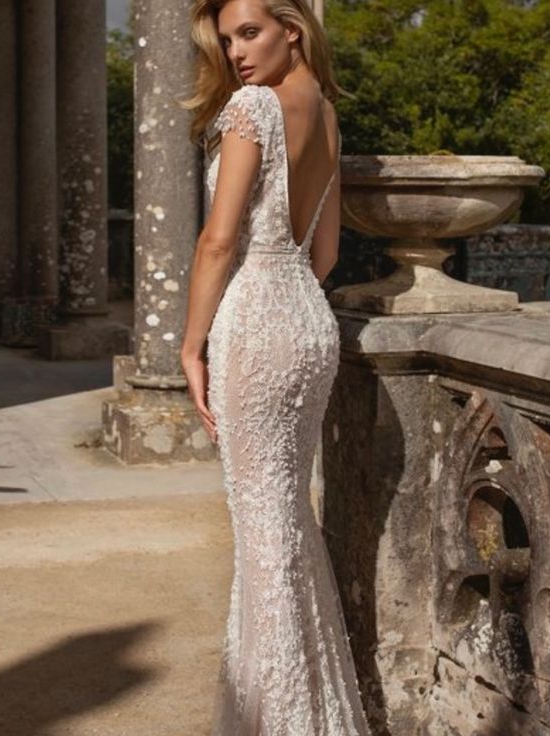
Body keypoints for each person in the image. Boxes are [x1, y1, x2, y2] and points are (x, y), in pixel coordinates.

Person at [179, 1, 372, 733]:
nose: (236, 52)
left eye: (250, 32)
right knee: (288, 527)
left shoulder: (253, 106)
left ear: (292, 27)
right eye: (227, 40)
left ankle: (281, 721)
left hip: (255, 322)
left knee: (265, 540)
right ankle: (311, 712)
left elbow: (217, 242)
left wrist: (191, 345)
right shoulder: (325, 111)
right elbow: (324, 254)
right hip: (308, 323)